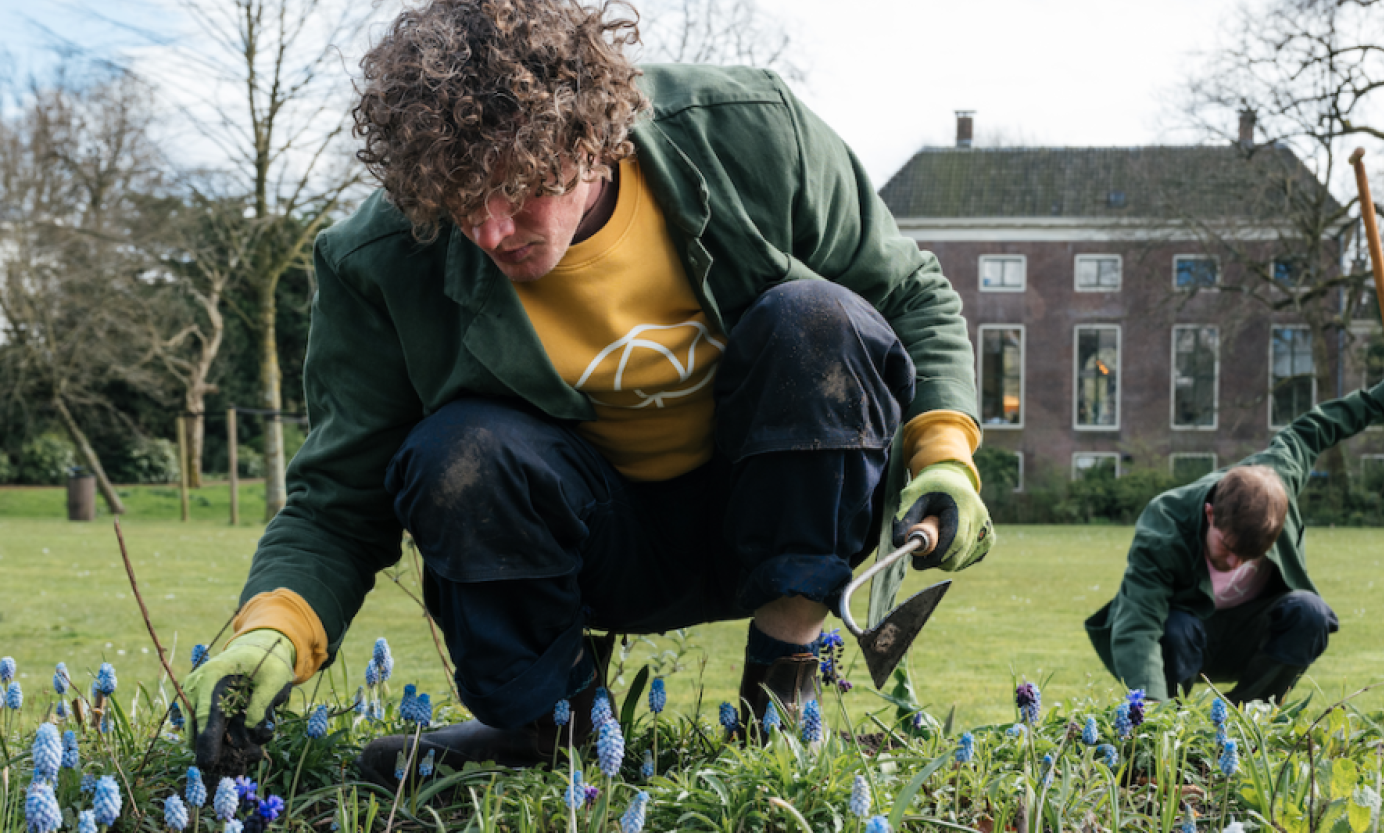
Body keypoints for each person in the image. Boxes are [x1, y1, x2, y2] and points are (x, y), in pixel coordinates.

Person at [181, 0, 994, 783]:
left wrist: (945, 455)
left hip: (780, 507)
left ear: (594, 139)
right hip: (583, 550)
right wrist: (273, 629)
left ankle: (782, 691)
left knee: (815, 319)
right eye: (459, 202)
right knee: (456, 450)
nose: (490, 231)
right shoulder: (380, 261)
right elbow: (339, 500)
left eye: (515, 189)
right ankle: (550, 727)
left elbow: (909, 295)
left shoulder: (750, 132)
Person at [1084, 369, 1384, 705]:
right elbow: (1139, 626)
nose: (1234, 564)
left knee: (1311, 614)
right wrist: (1151, 713)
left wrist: (1383, 396)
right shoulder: (1165, 523)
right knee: (1176, 628)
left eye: (1248, 557)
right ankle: (1173, 721)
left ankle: (1245, 716)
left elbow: (1314, 430)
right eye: (1228, 548)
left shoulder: (1279, 477)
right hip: (1181, 641)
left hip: (1252, 636)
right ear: (1210, 514)